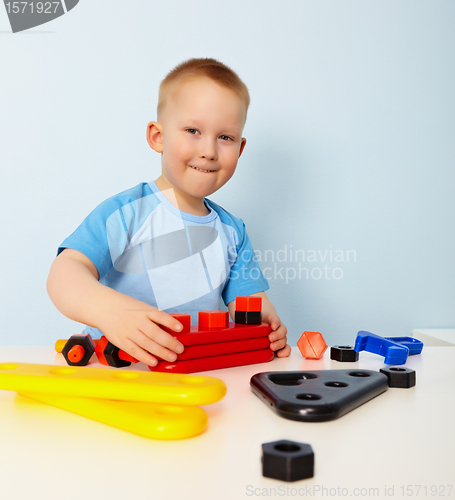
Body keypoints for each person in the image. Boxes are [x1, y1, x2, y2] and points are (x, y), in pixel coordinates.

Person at [47, 58, 291, 367]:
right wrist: (109, 311)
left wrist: (268, 326)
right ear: (158, 137)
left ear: (240, 149)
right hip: (114, 368)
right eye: (193, 130)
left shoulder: (233, 231)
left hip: (192, 369)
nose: (209, 150)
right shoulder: (126, 213)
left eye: (225, 137)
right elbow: (63, 275)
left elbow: (251, 303)